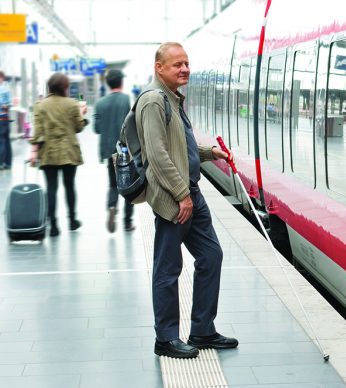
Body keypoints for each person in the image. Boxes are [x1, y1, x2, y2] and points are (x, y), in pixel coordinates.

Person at [137, 42, 237, 359]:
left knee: (211, 256)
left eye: (186, 63)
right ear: (159, 68)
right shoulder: (154, 101)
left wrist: (211, 153)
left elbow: (183, 146)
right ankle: (165, 338)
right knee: (168, 269)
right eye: (176, 64)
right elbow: (157, 154)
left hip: (191, 192)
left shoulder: (173, 99)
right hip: (173, 197)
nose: (184, 69)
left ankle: (202, 329)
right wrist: (181, 194)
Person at [29, 73, 88, 237]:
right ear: (64, 87)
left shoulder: (40, 105)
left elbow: (38, 132)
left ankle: (53, 225)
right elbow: (78, 127)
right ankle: (72, 221)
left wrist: (34, 151)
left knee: (51, 188)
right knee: (69, 186)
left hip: (48, 153)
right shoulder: (72, 104)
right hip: (69, 152)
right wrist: (82, 113)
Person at [94, 69, 135, 233]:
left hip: (108, 151)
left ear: (108, 83)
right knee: (129, 186)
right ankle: (127, 222)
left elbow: (97, 129)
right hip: (124, 150)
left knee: (112, 185)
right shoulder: (126, 100)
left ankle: (112, 206)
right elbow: (131, 125)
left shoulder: (100, 103)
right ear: (121, 82)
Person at [0, 71, 12, 170]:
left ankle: (0, 163)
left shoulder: (2, 90)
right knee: (6, 140)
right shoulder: (6, 90)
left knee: (1, 141)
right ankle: (8, 163)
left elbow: (4, 105)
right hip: (5, 117)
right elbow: (7, 105)